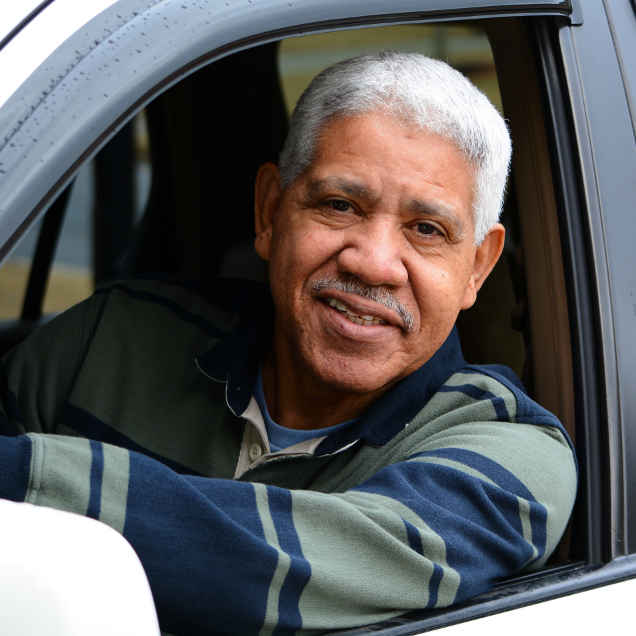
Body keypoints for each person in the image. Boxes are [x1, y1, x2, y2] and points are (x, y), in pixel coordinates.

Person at [0, 52, 576, 634]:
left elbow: (272, 564)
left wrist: (23, 477)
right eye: (339, 205)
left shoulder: (514, 459)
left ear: (477, 267)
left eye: (426, 229)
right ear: (271, 211)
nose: (374, 263)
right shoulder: (109, 337)